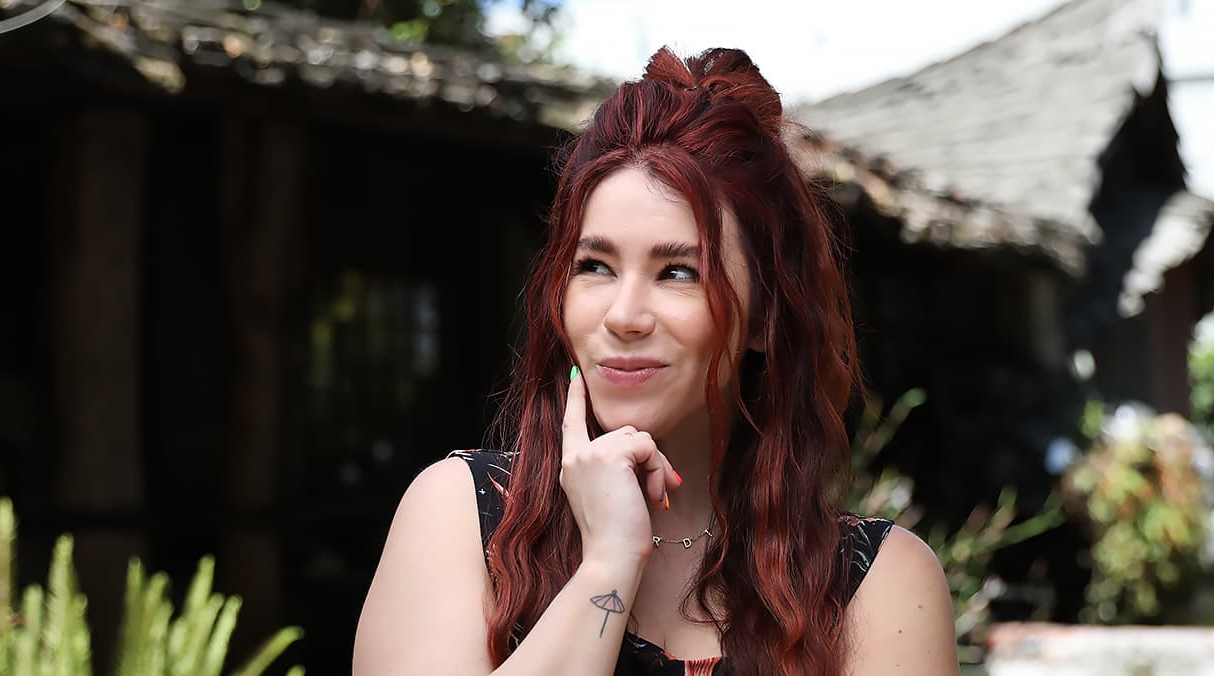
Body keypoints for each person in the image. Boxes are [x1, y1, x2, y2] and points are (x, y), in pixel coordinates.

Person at [350, 47, 956, 676]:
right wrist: (608, 563)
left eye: (678, 272)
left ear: (764, 317)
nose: (623, 315)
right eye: (594, 266)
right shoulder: (463, 517)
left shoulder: (875, 586)